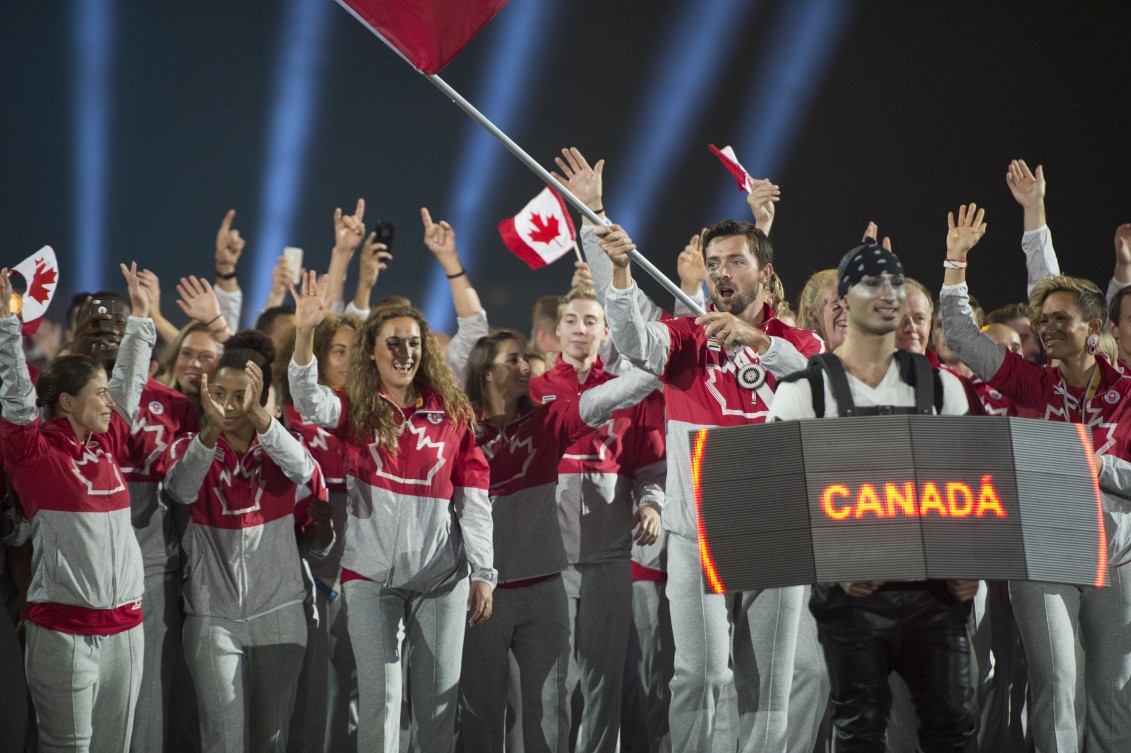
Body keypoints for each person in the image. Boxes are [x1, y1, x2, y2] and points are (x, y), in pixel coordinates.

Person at [595, 218, 828, 753]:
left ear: (765, 274)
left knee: (769, 689)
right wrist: (622, 272)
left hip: (775, 534)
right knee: (698, 677)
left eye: (736, 262)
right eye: (714, 263)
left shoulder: (799, 341)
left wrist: (761, 342)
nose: (722, 273)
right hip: (696, 534)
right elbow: (633, 341)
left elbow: (821, 387)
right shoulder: (685, 337)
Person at [767, 240, 978, 752]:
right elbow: (776, 496)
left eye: (896, 282)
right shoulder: (803, 392)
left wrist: (967, 561)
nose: (888, 294)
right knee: (860, 732)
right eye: (872, 283)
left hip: (937, 596)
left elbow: (968, 488)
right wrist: (833, 561)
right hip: (853, 599)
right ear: (842, 301)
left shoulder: (942, 388)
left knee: (953, 729)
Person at [941, 203, 1131, 752]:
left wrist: (1100, 466)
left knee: (1113, 692)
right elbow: (960, 335)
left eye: (1060, 319)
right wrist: (955, 262)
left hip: (1117, 558)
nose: (1047, 329)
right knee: (1057, 684)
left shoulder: (1128, 393)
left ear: (1094, 328)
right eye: (1042, 320)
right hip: (1043, 551)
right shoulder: (1028, 382)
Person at [287, 272, 494, 753]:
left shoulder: (452, 414)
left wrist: (484, 571)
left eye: (414, 343)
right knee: (379, 705)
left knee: (436, 712)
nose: (405, 353)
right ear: (371, 352)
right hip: (369, 578)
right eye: (393, 343)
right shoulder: (356, 408)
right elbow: (306, 399)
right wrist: (304, 332)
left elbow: (474, 499)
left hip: (441, 580)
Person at [458, 329, 660, 753]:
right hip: (480, 592)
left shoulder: (548, 420)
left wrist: (662, 363)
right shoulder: (460, 431)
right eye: (512, 360)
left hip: (544, 587)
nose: (525, 366)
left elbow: (606, 399)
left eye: (523, 358)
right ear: (486, 372)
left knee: (550, 714)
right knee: (482, 715)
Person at [0, 263, 154, 753]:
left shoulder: (106, 443)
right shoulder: (35, 454)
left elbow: (129, 383)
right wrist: (7, 326)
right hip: (63, 633)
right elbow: (17, 397)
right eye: (99, 393)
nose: (111, 402)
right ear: (66, 401)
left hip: (126, 628)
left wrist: (142, 320)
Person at [163, 333, 330, 753]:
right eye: (219, 394)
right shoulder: (190, 447)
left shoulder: (282, 449)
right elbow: (180, 490)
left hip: (279, 610)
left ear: (262, 397)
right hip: (211, 616)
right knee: (222, 739)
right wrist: (210, 432)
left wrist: (260, 418)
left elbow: (306, 472)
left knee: (271, 740)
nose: (229, 405)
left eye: (242, 396)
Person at [528, 286, 665, 753]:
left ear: (606, 332)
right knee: (553, 683)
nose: (580, 329)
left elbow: (651, 468)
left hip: (610, 557)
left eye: (591, 321)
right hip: (549, 561)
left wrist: (652, 505)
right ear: (556, 331)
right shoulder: (534, 393)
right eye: (572, 320)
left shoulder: (628, 393)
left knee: (605, 683)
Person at [275, 314, 361, 753]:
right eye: (338, 351)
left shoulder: (372, 412)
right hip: (306, 564)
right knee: (309, 685)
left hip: (362, 563)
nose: (348, 360)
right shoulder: (290, 414)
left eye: (355, 351)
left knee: (355, 680)